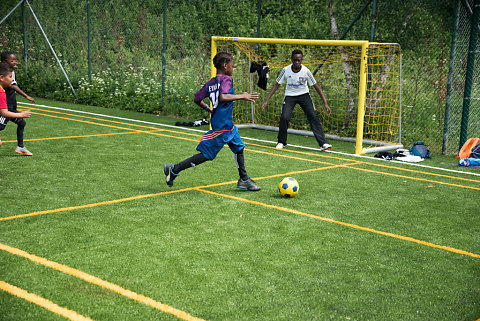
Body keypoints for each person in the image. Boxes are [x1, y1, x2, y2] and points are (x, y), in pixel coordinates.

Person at [164, 52, 261, 191]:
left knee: (239, 147)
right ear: (225, 65)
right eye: (232, 66)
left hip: (228, 125)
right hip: (222, 127)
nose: (233, 69)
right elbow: (222, 97)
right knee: (206, 155)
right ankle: (173, 169)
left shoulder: (210, 83)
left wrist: (208, 108)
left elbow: (197, 98)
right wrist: (242, 96)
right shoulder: (226, 79)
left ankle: (244, 179)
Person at [261, 49, 332, 151]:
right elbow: (277, 85)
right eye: (294, 60)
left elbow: (316, 87)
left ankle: (323, 143)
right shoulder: (285, 70)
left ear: (302, 59)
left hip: (304, 95)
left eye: (299, 60)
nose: (297, 62)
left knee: (313, 116)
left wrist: (325, 103)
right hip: (290, 96)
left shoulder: (306, 71)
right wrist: (266, 100)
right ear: (291, 59)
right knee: (284, 117)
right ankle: (281, 142)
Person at [1, 51, 36, 156]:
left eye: (16, 60)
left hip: (11, 106)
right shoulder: (4, 75)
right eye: (13, 60)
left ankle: (20, 146)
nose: (16, 62)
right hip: (6, 107)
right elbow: (12, 85)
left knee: (21, 123)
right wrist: (26, 96)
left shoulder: (9, 72)